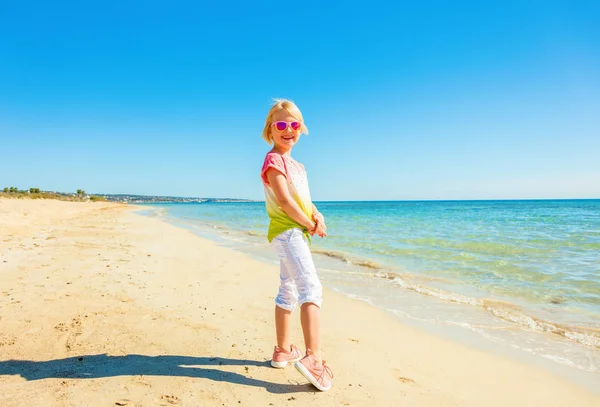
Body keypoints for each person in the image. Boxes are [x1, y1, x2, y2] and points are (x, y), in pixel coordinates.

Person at [260, 99, 333, 391]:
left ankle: (283, 350)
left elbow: (303, 198)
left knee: (288, 289)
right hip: (288, 231)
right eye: (281, 124)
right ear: (271, 129)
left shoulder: (298, 166)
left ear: (301, 129)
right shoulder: (273, 160)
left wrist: (316, 216)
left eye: (294, 124)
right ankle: (314, 359)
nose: (287, 129)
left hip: (296, 232)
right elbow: (284, 200)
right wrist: (306, 223)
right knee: (311, 289)